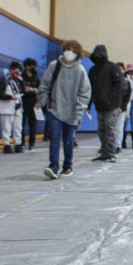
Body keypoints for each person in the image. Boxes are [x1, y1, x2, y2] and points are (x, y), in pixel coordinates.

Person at [37, 40, 90, 179]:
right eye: (68, 49)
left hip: (72, 112)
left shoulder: (80, 70)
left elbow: (84, 92)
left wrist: (79, 111)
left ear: (77, 53)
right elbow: (45, 85)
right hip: (55, 109)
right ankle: (53, 165)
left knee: (68, 140)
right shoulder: (54, 66)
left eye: (73, 50)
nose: (69, 53)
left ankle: (68, 165)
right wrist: (41, 102)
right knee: (54, 138)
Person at [89, 45, 127, 162]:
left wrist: (112, 99)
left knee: (110, 128)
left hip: (112, 105)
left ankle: (110, 152)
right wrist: (89, 104)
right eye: (96, 54)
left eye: (100, 54)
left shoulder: (113, 68)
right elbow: (90, 88)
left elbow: (119, 85)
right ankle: (104, 151)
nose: (98, 56)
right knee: (101, 129)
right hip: (99, 105)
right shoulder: (93, 70)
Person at [0, 60, 24, 153]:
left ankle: (18, 144)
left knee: (18, 127)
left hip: (17, 107)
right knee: (6, 127)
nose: (17, 73)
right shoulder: (4, 80)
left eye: (18, 71)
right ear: (11, 70)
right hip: (7, 107)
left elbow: (23, 91)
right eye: (16, 71)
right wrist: (10, 97)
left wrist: (21, 81)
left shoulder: (18, 81)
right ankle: (6, 145)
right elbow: (0, 94)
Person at [20, 58, 41, 150]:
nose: (33, 68)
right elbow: (19, 88)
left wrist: (37, 91)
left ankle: (32, 143)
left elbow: (41, 90)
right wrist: (24, 89)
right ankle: (22, 142)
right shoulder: (21, 77)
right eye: (31, 66)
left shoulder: (36, 78)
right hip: (23, 102)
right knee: (21, 124)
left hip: (33, 103)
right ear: (26, 66)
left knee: (33, 124)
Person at [114, 62, 132, 153]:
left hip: (121, 109)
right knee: (110, 128)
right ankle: (109, 146)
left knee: (119, 128)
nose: (119, 71)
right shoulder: (111, 81)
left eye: (121, 69)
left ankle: (118, 146)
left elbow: (127, 97)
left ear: (124, 70)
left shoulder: (127, 83)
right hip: (112, 108)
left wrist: (122, 107)